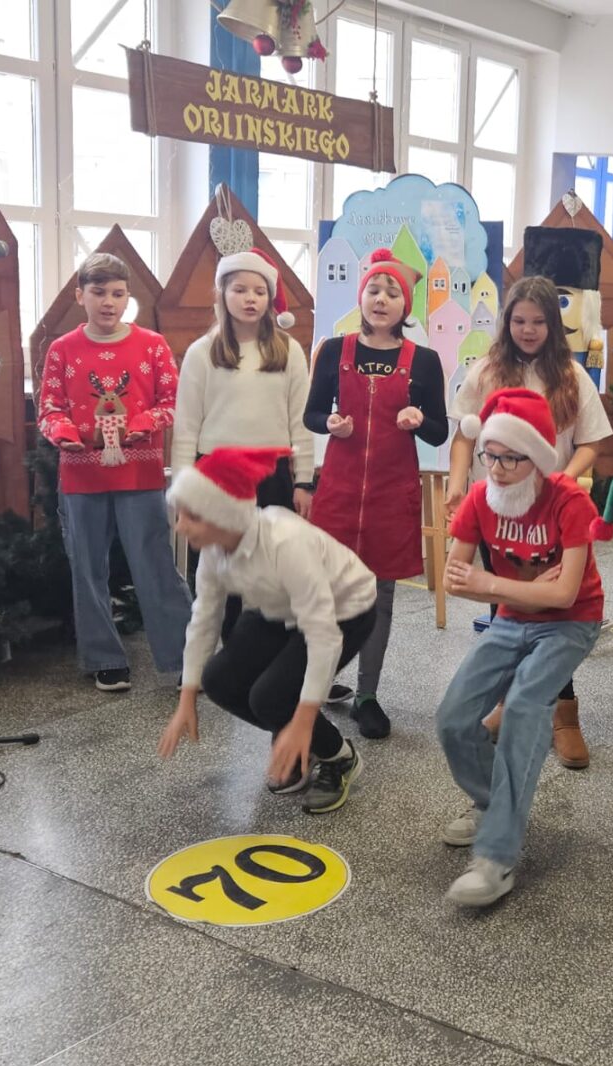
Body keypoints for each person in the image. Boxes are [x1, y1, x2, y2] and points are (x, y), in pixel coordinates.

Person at [435, 388, 605, 907]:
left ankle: (497, 857)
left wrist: (491, 584)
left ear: (538, 458)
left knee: (527, 706)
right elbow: (453, 579)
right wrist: (520, 590)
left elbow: (565, 594)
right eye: (490, 455)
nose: (498, 469)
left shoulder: (570, 500)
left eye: (512, 458)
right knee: (453, 718)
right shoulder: (479, 498)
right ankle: (495, 805)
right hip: (512, 619)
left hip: (571, 623)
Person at [445, 275, 613, 768]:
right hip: (496, 505)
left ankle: (564, 713)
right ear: (507, 322)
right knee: (504, 599)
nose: (528, 330)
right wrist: (457, 484)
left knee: (554, 610)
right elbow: (464, 435)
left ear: (553, 325)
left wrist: (560, 483)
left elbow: (591, 442)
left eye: (538, 321)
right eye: (519, 320)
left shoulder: (572, 376)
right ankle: (507, 698)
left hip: (552, 512)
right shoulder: (486, 371)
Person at [158, 447, 376, 815]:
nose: (179, 526)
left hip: (344, 610)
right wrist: (187, 698)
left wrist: (302, 721)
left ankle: (338, 757)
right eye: (179, 515)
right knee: (219, 680)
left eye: (191, 516)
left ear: (223, 515)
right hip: (277, 607)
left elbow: (323, 635)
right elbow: (205, 618)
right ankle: (301, 741)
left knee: (270, 698)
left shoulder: (286, 541)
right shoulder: (214, 549)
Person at [303, 249, 447, 740]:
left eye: (392, 293)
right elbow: (311, 414)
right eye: (373, 290)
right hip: (339, 493)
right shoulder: (333, 351)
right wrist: (330, 423)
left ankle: (367, 694)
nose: (381, 299)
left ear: (405, 306)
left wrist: (418, 420)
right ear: (360, 297)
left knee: (379, 596)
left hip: (391, 494)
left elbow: (439, 430)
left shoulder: (424, 361)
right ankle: (316, 686)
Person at [37, 252, 192, 692]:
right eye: (99, 292)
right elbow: (49, 408)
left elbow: (172, 403)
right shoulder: (61, 350)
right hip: (81, 479)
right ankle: (104, 658)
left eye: (118, 293)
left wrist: (137, 426)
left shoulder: (153, 345)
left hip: (139, 477)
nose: (109, 302)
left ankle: (185, 656)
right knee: (87, 568)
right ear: (80, 295)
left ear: (128, 298)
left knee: (155, 564)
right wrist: (64, 432)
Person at [173, 248, 315, 636]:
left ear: (270, 298)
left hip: (271, 475)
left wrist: (304, 481)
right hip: (216, 477)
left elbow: (300, 422)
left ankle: (271, 654)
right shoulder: (203, 352)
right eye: (240, 289)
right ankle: (230, 654)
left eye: (259, 291)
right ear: (222, 294)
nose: (250, 299)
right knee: (223, 576)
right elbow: (186, 427)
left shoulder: (288, 351)